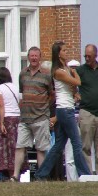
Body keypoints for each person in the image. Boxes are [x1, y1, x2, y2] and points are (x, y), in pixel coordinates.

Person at [34, 42, 91, 180]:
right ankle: (85, 174)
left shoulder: (65, 69)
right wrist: (75, 73)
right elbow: (77, 82)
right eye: (64, 50)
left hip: (66, 108)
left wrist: (75, 93)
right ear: (58, 54)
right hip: (65, 110)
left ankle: (41, 174)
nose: (66, 52)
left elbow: (71, 88)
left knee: (59, 145)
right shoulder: (58, 71)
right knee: (77, 143)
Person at [10, 47, 53, 182]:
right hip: (25, 118)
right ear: (28, 57)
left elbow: (52, 94)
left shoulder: (46, 74)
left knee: (41, 148)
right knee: (19, 146)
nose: (34, 58)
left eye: (36, 56)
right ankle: (15, 175)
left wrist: (44, 107)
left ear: (40, 57)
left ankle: (41, 176)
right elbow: (22, 93)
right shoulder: (23, 74)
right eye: (32, 56)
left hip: (41, 117)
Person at [0, 67, 21, 181]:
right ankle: (15, 174)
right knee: (15, 147)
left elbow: (1, 105)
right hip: (17, 119)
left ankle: (9, 174)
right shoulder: (15, 87)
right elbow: (20, 103)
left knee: (6, 149)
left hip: (7, 119)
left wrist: (1, 123)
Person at [76, 43, 98, 173]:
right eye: (85, 56)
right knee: (86, 146)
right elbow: (69, 81)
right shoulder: (80, 70)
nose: (87, 58)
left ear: (95, 55)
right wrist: (75, 93)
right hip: (87, 112)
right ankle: (88, 174)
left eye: (89, 56)